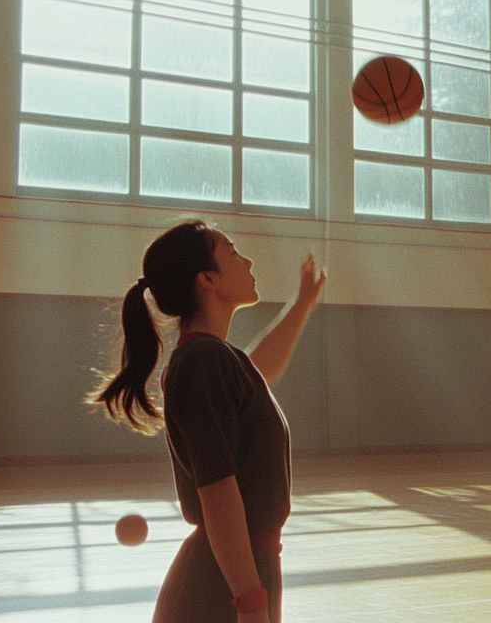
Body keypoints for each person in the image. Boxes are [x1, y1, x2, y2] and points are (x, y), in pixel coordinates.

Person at [92, 220, 326, 622]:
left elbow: (259, 371)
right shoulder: (204, 361)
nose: (248, 261)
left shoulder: (213, 358)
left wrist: (302, 303)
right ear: (207, 279)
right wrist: (250, 600)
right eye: (233, 252)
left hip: (237, 572)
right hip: (223, 585)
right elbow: (218, 494)